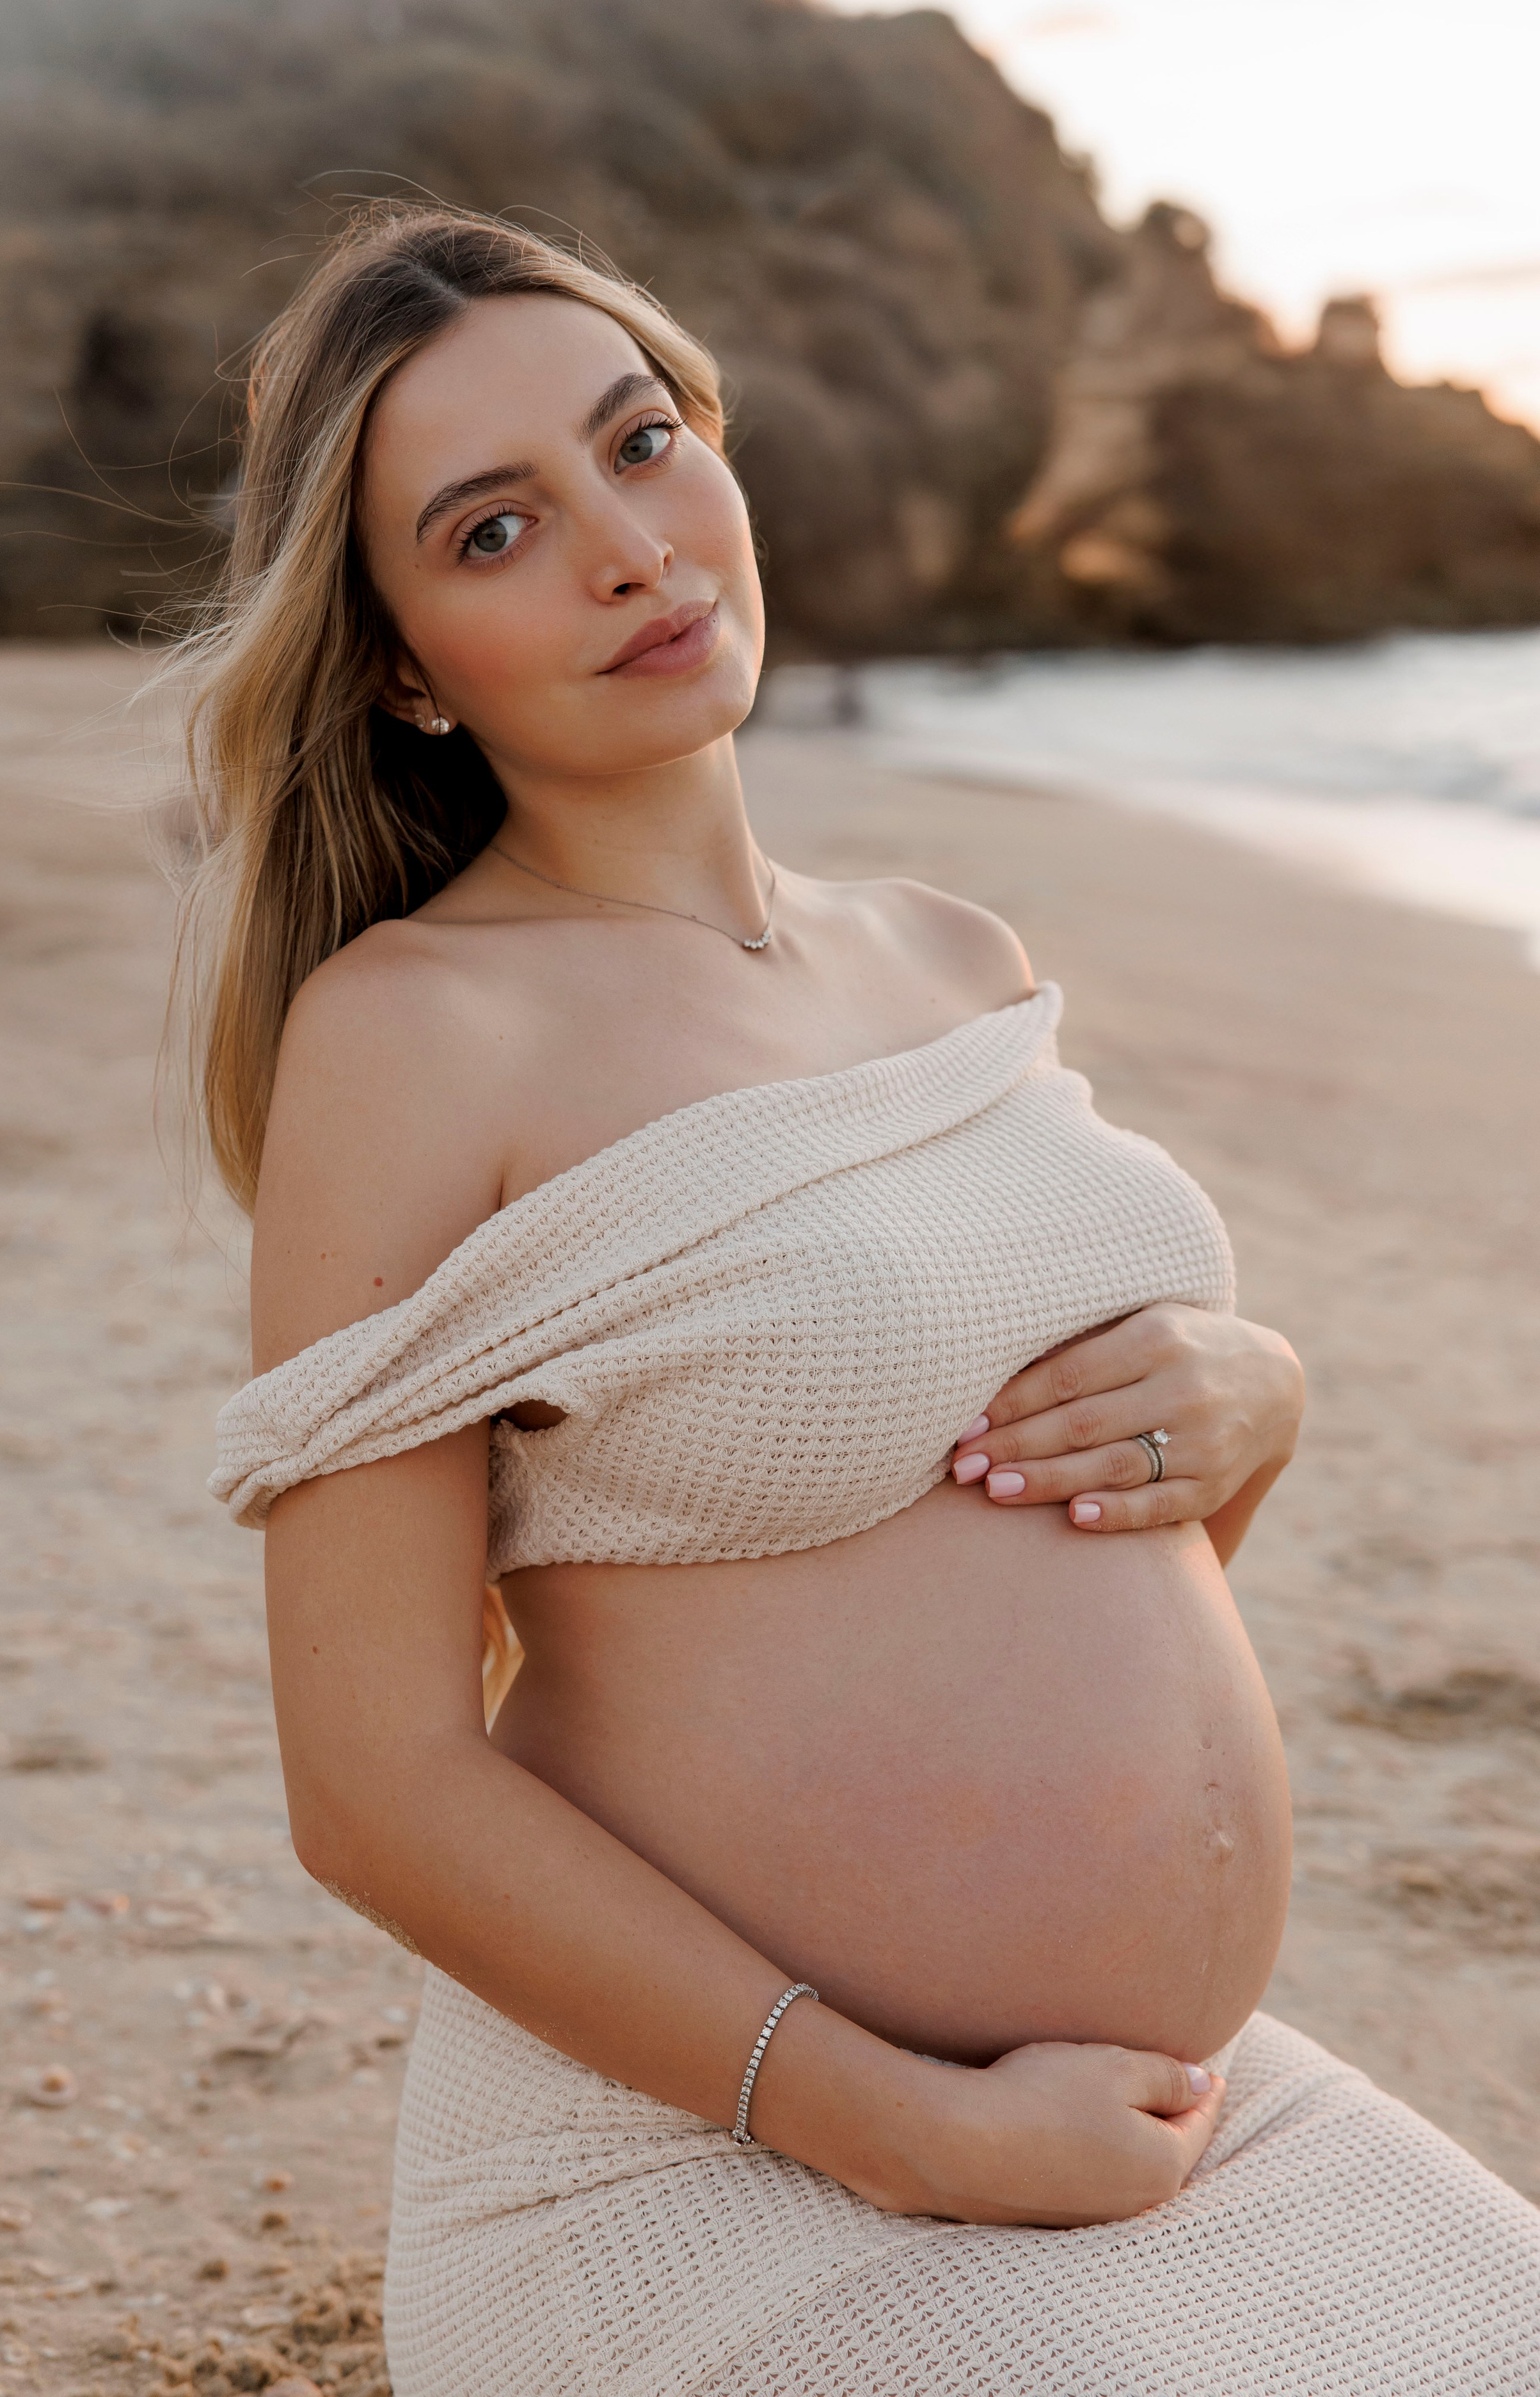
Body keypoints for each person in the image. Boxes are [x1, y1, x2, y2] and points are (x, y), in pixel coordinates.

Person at [191, 208, 1539, 2394]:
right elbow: (375, 1781)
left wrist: (1255, 1402)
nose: (628, 547)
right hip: (713, 2161)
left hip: (1147, 2120)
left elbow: (1024, 1545)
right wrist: (900, 2128)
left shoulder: (953, 956)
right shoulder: (420, 1038)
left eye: (643, 442)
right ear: (402, 663)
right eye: (500, 527)